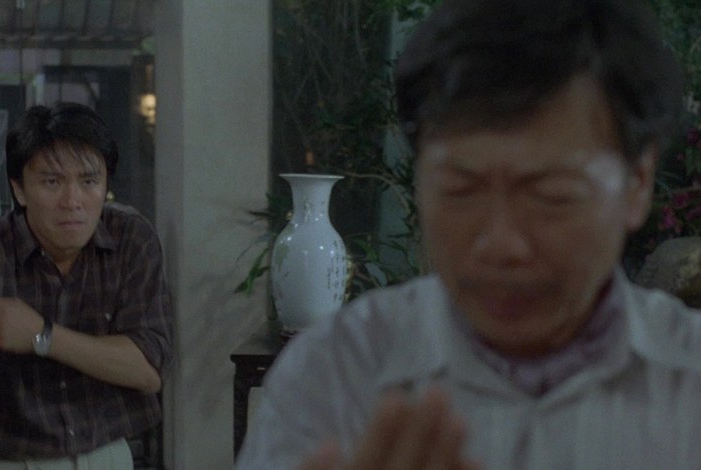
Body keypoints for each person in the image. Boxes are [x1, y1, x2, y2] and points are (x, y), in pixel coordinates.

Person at [236, 0, 701, 468]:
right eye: (460, 190)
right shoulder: (333, 375)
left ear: (638, 183)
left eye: (551, 195)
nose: (500, 244)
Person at [0, 103, 172, 469]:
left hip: (107, 456)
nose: (72, 202)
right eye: (52, 182)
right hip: (10, 462)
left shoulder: (131, 241)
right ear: (20, 190)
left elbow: (148, 369)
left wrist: (42, 336)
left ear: (106, 185)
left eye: (88, 181)